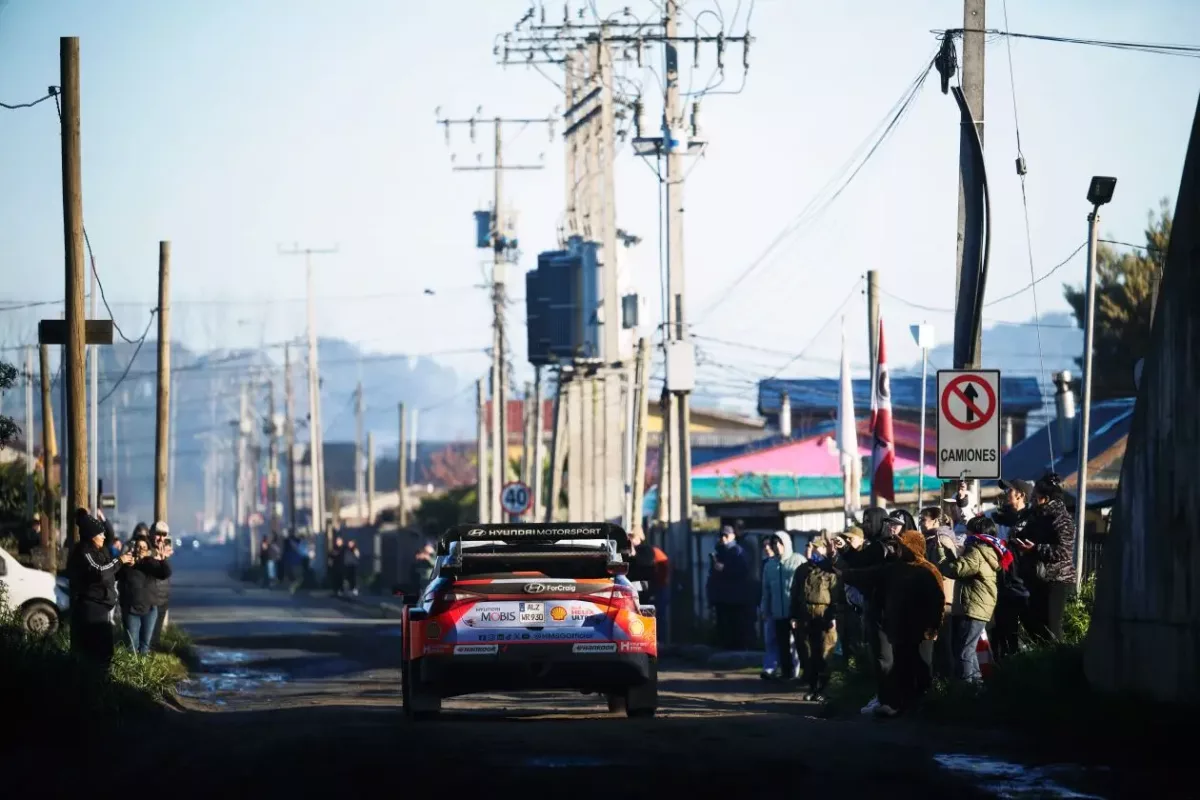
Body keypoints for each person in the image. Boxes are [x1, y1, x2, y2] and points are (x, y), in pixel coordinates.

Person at [838, 529, 945, 717]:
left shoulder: (928, 570)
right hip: (899, 629)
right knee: (902, 668)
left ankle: (923, 706)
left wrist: (934, 627)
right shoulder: (895, 568)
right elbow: (869, 576)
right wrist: (845, 574)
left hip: (922, 631)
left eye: (901, 546)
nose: (898, 549)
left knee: (921, 669)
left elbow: (938, 601)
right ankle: (903, 706)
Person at [837, 506, 893, 715]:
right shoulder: (875, 546)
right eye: (864, 520)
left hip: (884, 609)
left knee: (885, 658)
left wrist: (847, 572)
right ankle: (882, 697)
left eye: (869, 521)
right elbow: (859, 562)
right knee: (877, 656)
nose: (866, 525)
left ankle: (888, 700)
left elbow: (865, 568)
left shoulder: (883, 547)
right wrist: (845, 551)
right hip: (874, 607)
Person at [1010, 472, 1076, 643]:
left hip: (1056, 579)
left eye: (1035, 497)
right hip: (1036, 578)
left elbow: (1064, 551)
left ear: (1045, 498)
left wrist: (1036, 548)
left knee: (1052, 628)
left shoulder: (1061, 519)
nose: (1032, 500)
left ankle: (1056, 662)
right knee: (1032, 623)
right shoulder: (1035, 517)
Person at [939, 516, 1006, 682]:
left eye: (968, 530)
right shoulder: (986, 550)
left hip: (974, 606)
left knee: (964, 651)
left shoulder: (976, 551)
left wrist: (943, 552)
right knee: (969, 648)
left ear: (975, 533)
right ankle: (976, 686)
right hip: (979, 606)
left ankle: (969, 690)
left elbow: (956, 570)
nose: (965, 533)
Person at [68, 509, 134, 668]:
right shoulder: (85, 552)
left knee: (105, 652)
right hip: (91, 608)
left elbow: (110, 574)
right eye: (100, 534)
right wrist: (119, 561)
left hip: (102, 608)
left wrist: (124, 567)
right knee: (93, 653)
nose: (104, 537)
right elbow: (100, 571)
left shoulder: (99, 551)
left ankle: (102, 683)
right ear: (92, 536)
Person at [791, 533, 840, 701]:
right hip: (806, 614)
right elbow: (795, 593)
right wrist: (794, 616)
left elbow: (835, 594)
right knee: (808, 653)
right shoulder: (802, 570)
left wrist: (833, 616)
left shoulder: (829, 569)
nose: (810, 550)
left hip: (824, 614)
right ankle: (812, 688)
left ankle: (824, 690)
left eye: (814, 547)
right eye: (808, 547)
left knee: (825, 653)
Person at [991, 479, 1034, 660]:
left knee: (1033, 633)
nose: (1005, 493)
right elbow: (972, 521)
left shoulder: (1032, 519)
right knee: (1004, 635)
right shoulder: (997, 518)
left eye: (1009, 490)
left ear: (1021, 495)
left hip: (1026, 586)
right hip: (1002, 585)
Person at [918, 506, 960, 679]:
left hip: (943, 599)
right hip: (934, 598)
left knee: (944, 643)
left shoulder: (941, 539)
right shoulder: (930, 539)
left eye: (923, 519)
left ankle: (948, 682)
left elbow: (948, 568)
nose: (920, 523)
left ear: (935, 520)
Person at [760, 531, 805, 681]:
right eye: (774, 543)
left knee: (799, 644)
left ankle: (802, 673)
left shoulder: (798, 560)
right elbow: (766, 590)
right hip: (777, 611)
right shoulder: (770, 565)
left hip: (795, 611)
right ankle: (787, 673)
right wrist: (765, 609)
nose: (777, 546)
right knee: (782, 644)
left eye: (780, 543)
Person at [118, 534, 172, 656]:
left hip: (149, 609)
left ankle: (142, 671)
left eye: (143, 547)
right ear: (134, 548)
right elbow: (117, 576)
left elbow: (164, 573)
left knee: (145, 645)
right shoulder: (128, 564)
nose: (140, 549)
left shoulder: (150, 563)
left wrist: (163, 559)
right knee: (131, 645)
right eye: (138, 546)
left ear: (147, 549)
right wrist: (125, 563)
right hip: (132, 610)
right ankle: (131, 672)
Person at [706, 524, 752, 651]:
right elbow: (713, 575)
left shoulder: (738, 551)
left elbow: (743, 571)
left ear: (732, 536)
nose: (723, 538)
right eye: (721, 535)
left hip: (735, 597)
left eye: (726, 535)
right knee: (723, 626)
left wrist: (725, 569)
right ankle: (725, 648)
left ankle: (736, 649)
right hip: (722, 596)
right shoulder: (719, 551)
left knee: (735, 625)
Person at [147, 522, 174, 648]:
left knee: (155, 637)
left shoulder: (164, 550)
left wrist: (164, 559)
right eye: (158, 534)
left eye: (164, 535)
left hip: (162, 599)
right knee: (147, 638)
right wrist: (158, 557)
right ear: (151, 534)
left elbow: (167, 573)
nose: (161, 538)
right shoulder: (146, 549)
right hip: (149, 601)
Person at [757, 537, 779, 679]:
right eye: (764, 546)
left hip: (783, 607)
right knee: (769, 639)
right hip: (770, 606)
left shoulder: (781, 562)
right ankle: (769, 668)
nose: (766, 548)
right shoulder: (765, 564)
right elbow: (764, 588)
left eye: (769, 545)